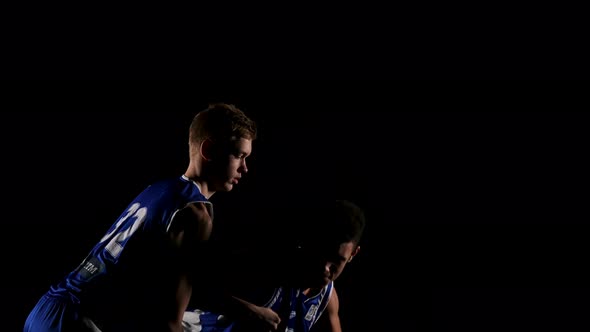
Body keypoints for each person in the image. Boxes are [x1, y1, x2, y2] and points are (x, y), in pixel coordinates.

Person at [24, 103, 260, 332]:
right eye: (239, 155)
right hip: (77, 320)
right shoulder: (196, 211)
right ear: (208, 150)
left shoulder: (158, 189)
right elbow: (169, 320)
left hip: (47, 308)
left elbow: (174, 285)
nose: (245, 167)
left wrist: (246, 309)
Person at [182, 199, 367, 332]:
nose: (325, 268)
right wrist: (249, 311)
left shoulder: (327, 298)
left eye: (336, 260)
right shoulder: (267, 268)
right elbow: (190, 286)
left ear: (353, 254)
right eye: (321, 254)